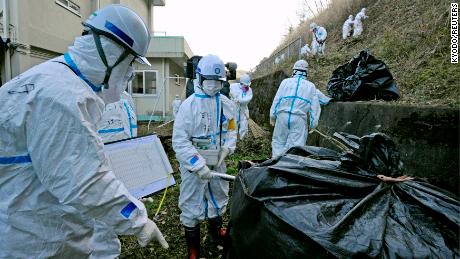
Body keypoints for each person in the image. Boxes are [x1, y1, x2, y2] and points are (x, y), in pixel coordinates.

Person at [0, 5, 168, 258]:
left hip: (41, 226)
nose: (131, 73)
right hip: (35, 241)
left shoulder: (56, 80)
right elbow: (83, 181)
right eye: (131, 63)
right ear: (113, 54)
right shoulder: (62, 96)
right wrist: (137, 219)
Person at [172, 54, 237, 259]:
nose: (214, 86)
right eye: (210, 81)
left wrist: (226, 149)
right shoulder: (188, 106)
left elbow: (232, 129)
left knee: (218, 195)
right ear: (199, 79)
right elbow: (180, 142)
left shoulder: (226, 104)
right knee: (191, 204)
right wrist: (198, 165)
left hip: (218, 162)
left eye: (218, 82)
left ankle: (216, 232)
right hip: (194, 167)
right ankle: (193, 250)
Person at [269, 60, 331, 158]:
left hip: (282, 116)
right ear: (306, 72)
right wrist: (313, 124)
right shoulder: (311, 86)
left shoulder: (285, 82)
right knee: (296, 146)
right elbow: (315, 107)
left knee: (278, 142)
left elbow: (277, 99)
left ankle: (276, 164)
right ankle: (289, 168)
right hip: (299, 119)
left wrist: (272, 115)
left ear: (294, 70)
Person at [230, 73, 253, 139]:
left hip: (243, 110)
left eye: (247, 85)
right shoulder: (233, 86)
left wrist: (238, 99)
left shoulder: (249, 90)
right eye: (244, 85)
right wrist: (232, 97)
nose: (246, 87)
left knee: (244, 126)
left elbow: (246, 100)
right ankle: (233, 141)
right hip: (234, 109)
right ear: (241, 83)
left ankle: (244, 142)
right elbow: (228, 93)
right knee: (233, 126)